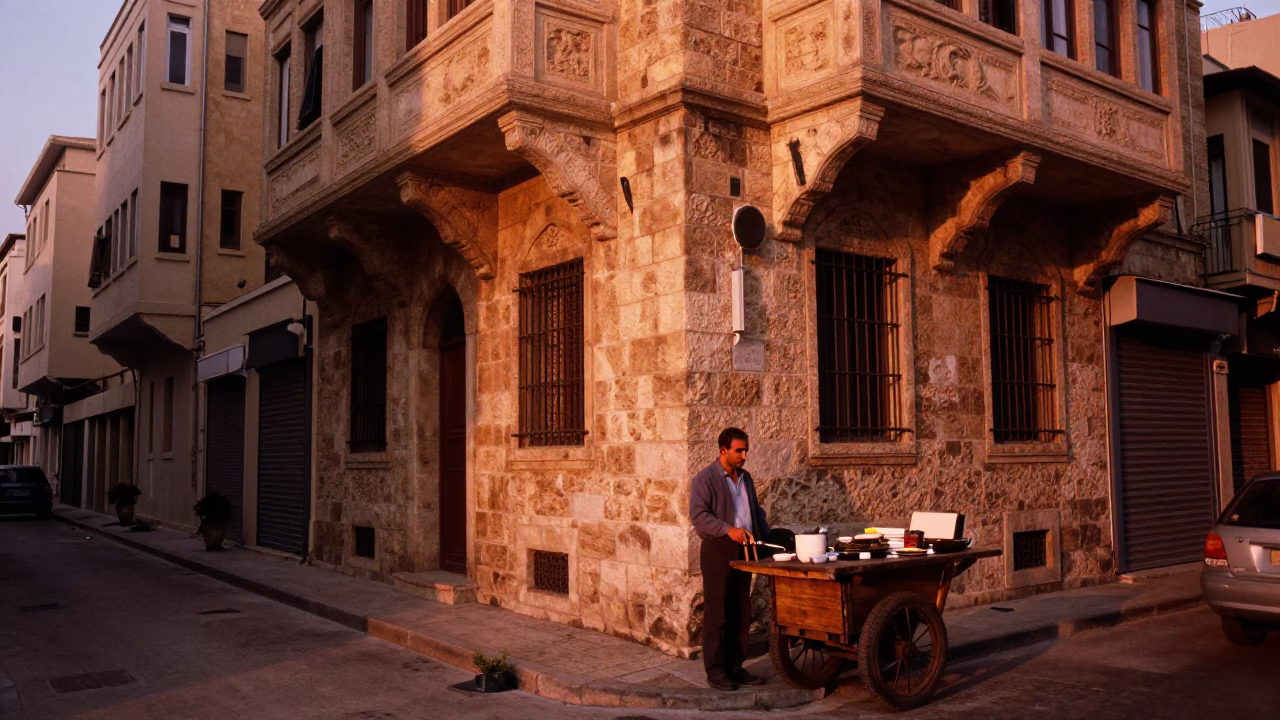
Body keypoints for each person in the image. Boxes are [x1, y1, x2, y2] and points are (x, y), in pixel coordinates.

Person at [689, 427, 770, 691]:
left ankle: (735, 667)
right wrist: (728, 530)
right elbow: (699, 517)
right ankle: (716, 671)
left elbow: (754, 511)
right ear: (723, 450)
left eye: (746, 450)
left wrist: (765, 535)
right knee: (718, 612)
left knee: (741, 611)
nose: (744, 455)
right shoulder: (705, 479)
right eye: (739, 451)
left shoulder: (746, 478)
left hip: (744, 550)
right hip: (717, 550)